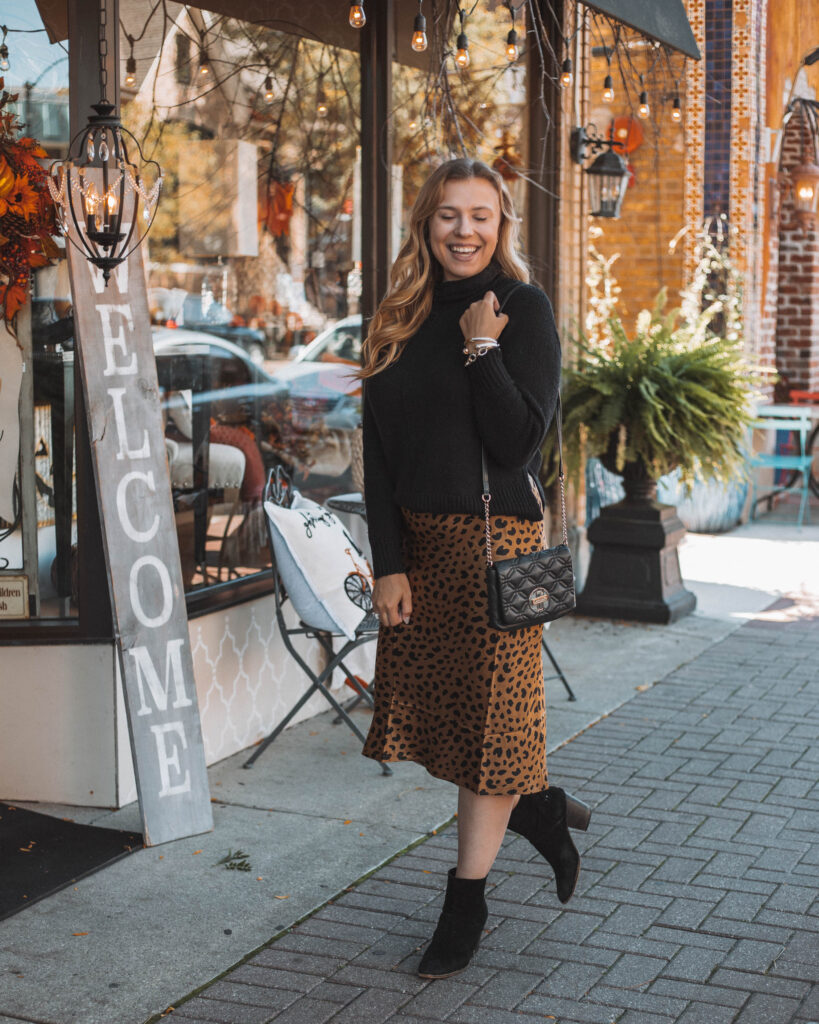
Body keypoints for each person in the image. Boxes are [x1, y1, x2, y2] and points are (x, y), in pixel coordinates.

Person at [357, 157, 591, 980]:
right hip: (422, 550)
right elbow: (377, 461)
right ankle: (539, 807)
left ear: (501, 226)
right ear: (424, 224)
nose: (464, 230)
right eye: (447, 215)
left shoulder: (519, 309)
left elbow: (518, 442)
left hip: (500, 553)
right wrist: (389, 565)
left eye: (480, 215)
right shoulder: (395, 316)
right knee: (453, 730)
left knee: (490, 732)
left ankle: (465, 903)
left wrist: (482, 347)